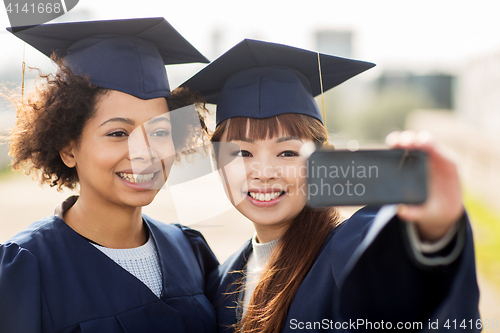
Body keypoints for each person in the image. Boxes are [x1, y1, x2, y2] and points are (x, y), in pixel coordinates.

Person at [182, 39, 480, 332]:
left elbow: (411, 295)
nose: (264, 172)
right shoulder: (223, 281)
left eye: (287, 152)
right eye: (241, 153)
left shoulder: (349, 252)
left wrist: (434, 233)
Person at [0, 18, 218, 333]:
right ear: (68, 147)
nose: (144, 152)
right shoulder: (26, 268)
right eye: (117, 133)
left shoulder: (189, 250)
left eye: (159, 131)